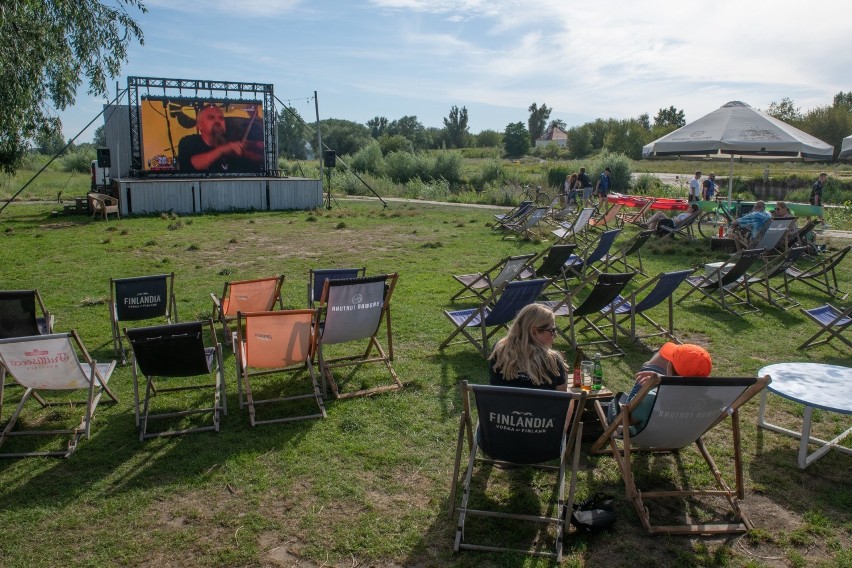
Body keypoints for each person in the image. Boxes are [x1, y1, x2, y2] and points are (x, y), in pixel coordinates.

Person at [606, 342, 712, 435]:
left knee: (648, 368)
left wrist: (654, 384)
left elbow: (628, 420)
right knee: (650, 369)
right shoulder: (711, 402)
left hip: (648, 434)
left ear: (669, 367)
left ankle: (648, 366)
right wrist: (664, 379)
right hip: (679, 435)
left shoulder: (651, 398)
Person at [489, 304, 567, 391]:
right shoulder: (553, 360)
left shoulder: (500, 352)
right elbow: (563, 400)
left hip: (504, 404)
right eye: (552, 330)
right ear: (534, 331)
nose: (555, 335)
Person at [178, 104, 264, 173]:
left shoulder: (232, 146)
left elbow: (256, 166)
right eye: (211, 117)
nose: (218, 121)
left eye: (221, 118)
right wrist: (222, 150)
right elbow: (191, 165)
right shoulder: (189, 142)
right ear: (200, 125)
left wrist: (254, 149)